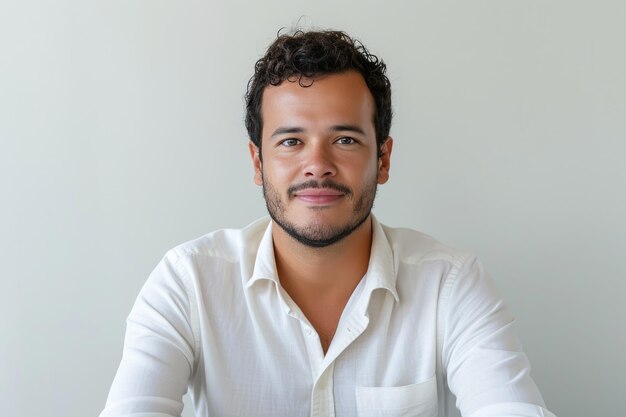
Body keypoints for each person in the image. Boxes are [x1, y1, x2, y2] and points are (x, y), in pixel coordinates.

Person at [100, 29, 556, 417]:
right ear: (258, 163)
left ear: (383, 159)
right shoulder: (188, 282)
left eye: (344, 138)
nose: (317, 165)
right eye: (291, 141)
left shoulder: (451, 284)